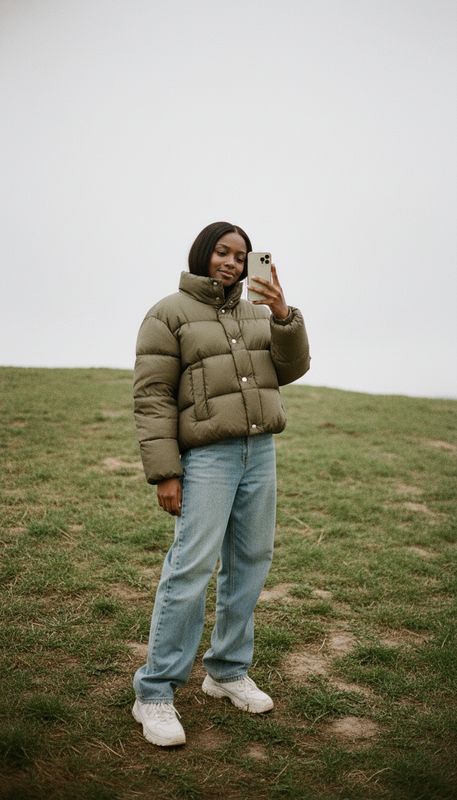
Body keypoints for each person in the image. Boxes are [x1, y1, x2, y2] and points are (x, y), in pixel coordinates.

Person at [132, 221, 310, 747]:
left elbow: (291, 368)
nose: (232, 263)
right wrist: (166, 471)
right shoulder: (168, 313)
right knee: (190, 567)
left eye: (242, 256)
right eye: (223, 252)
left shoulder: (259, 310)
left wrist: (283, 315)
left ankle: (226, 671)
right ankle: (155, 692)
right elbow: (152, 397)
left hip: (261, 452)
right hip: (207, 456)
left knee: (251, 561)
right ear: (203, 253)